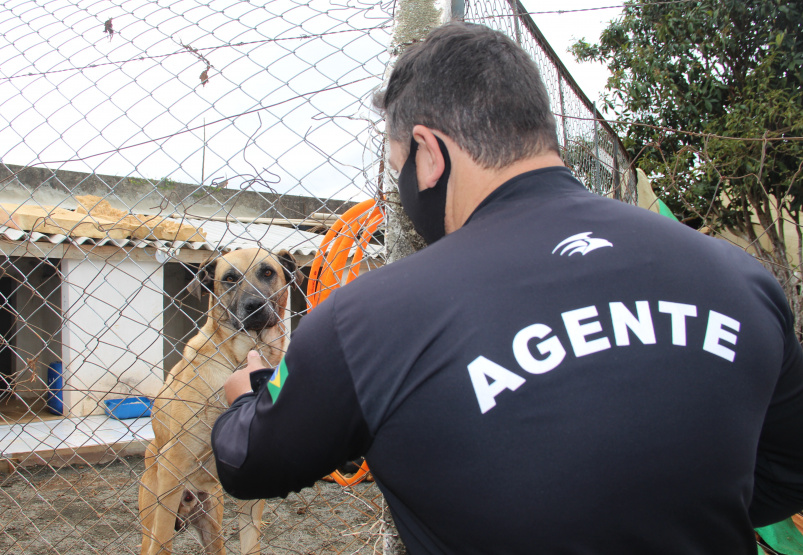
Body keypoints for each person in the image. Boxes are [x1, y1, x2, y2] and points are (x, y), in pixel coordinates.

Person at [211, 22, 803, 554]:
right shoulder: (740, 277)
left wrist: (247, 397)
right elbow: (788, 469)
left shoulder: (367, 318)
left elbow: (248, 463)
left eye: (398, 169)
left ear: (429, 154)